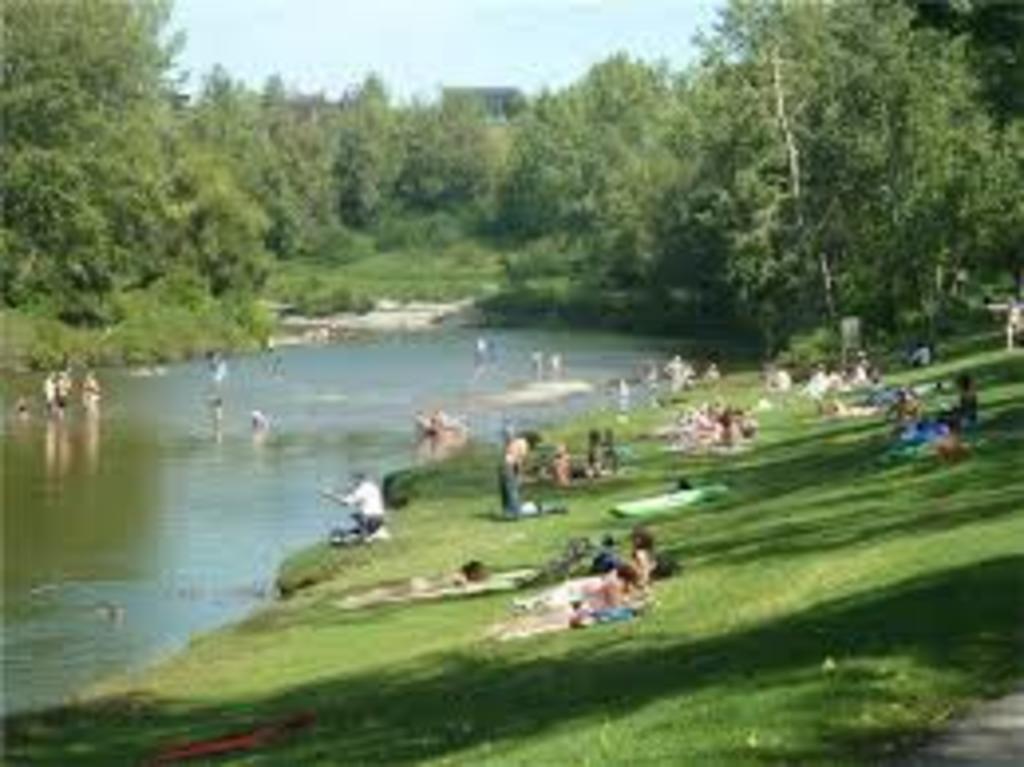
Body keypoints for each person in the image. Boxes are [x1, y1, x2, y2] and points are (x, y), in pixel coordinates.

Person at [332, 473, 387, 541]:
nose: (352, 483)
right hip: (380, 518)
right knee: (358, 519)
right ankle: (375, 531)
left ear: (358, 481)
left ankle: (366, 536)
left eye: (353, 481)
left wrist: (331, 496)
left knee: (356, 516)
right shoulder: (373, 486)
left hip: (370, 519)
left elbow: (345, 502)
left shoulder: (361, 490)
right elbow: (351, 493)